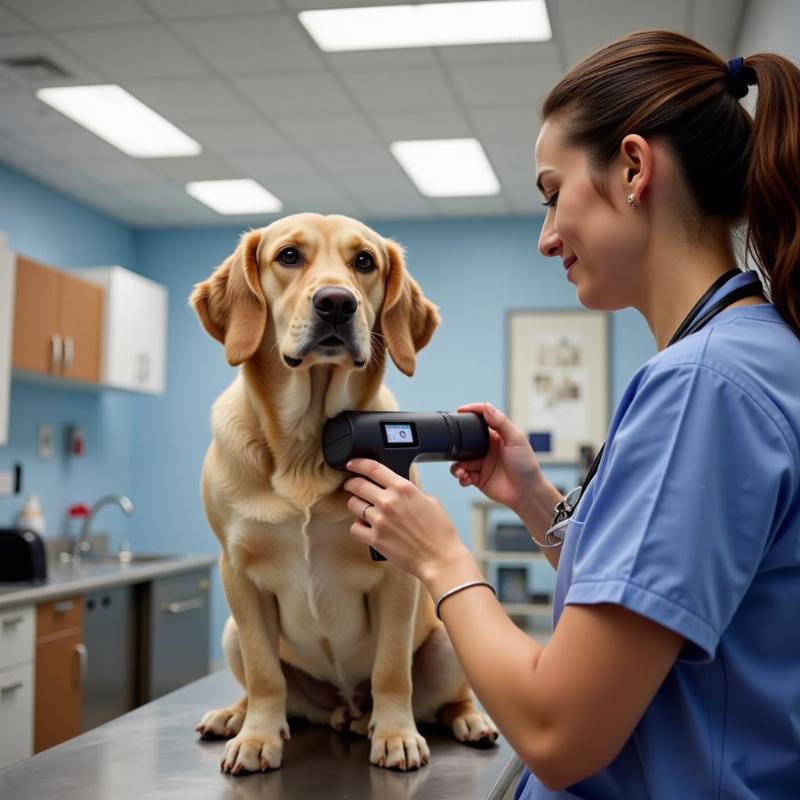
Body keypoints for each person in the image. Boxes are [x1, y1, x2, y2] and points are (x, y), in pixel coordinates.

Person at [343, 29, 800, 798]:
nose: (548, 235)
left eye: (554, 194)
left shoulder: (703, 386)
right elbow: (671, 604)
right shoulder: (755, 353)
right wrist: (535, 502)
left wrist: (442, 560)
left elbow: (558, 731)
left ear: (632, 168)